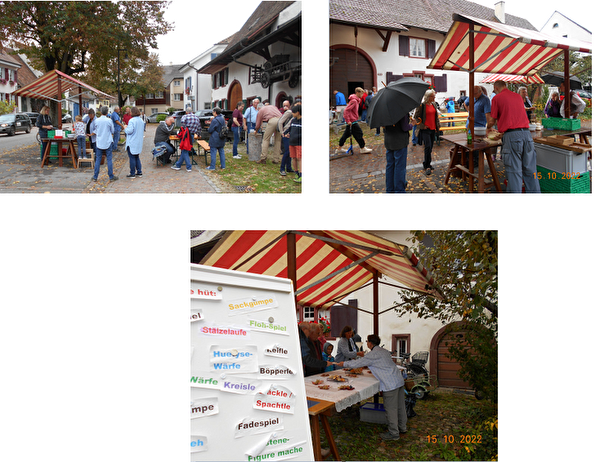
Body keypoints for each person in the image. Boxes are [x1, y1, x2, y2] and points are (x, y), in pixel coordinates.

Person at [336, 334, 407, 441]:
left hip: (390, 383)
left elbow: (358, 363)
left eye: (367, 341)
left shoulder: (372, 354)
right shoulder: (384, 351)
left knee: (391, 409)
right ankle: (402, 428)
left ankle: (394, 433)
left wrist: (344, 363)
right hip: (398, 380)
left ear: (370, 343)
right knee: (400, 406)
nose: (367, 343)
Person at [487, 80, 540, 193]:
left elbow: (492, 121)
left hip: (512, 138)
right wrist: (504, 131)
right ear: (505, 86)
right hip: (526, 135)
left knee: (514, 173)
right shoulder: (517, 97)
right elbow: (514, 118)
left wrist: (488, 127)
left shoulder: (497, 98)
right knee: (531, 171)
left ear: (496, 88)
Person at [336, 87, 372, 154]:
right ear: (357, 93)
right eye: (361, 93)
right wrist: (348, 120)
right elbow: (346, 111)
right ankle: (362, 148)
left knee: (346, 135)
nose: (362, 95)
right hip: (352, 121)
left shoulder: (356, 100)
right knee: (359, 133)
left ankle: (339, 148)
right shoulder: (354, 101)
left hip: (352, 120)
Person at [413, 89, 440, 175]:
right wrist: (422, 126)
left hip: (433, 129)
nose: (434, 97)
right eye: (433, 96)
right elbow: (416, 117)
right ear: (428, 97)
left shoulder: (434, 104)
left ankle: (427, 163)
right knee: (427, 146)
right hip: (425, 130)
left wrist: (437, 126)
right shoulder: (422, 105)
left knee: (430, 147)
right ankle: (427, 165)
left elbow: (436, 116)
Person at [384, 113, 412, 193]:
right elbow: (405, 127)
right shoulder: (401, 109)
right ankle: (399, 190)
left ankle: (390, 190)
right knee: (399, 167)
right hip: (399, 142)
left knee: (390, 166)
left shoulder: (385, 109)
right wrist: (412, 124)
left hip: (389, 140)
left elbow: (384, 126)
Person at [91, 105, 118, 182]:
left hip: (99, 142)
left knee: (98, 159)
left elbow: (95, 129)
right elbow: (112, 130)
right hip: (107, 141)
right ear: (107, 112)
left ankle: (95, 176)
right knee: (109, 159)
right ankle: (111, 176)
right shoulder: (109, 121)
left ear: (100, 112)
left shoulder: (97, 120)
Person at [124, 106, 144, 178]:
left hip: (132, 141)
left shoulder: (132, 120)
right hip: (138, 141)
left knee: (132, 157)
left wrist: (125, 128)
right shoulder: (141, 120)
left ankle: (132, 173)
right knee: (137, 157)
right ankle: (139, 171)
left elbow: (129, 131)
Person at [284, 104, 302, 183]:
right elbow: (290, 128)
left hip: (299, 143)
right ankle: (296, 172)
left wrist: (296, 136)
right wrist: (286, 132)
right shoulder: (293, 120)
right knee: (293, 158)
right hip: (292, 142)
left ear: (298, 112)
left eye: (293, 112)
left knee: (299, 158)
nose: (292, 114)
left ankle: (301, 174)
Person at [278, 101, 294, 176]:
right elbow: (280, 122)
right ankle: (282, 168)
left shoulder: (290, 112)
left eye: (286, 105)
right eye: (284, 105)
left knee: (289, 151)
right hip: (286, 133)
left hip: (290, 133)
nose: (285, 107)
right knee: (287, 151)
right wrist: (282, 132)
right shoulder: (289, 112)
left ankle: (288, 167)